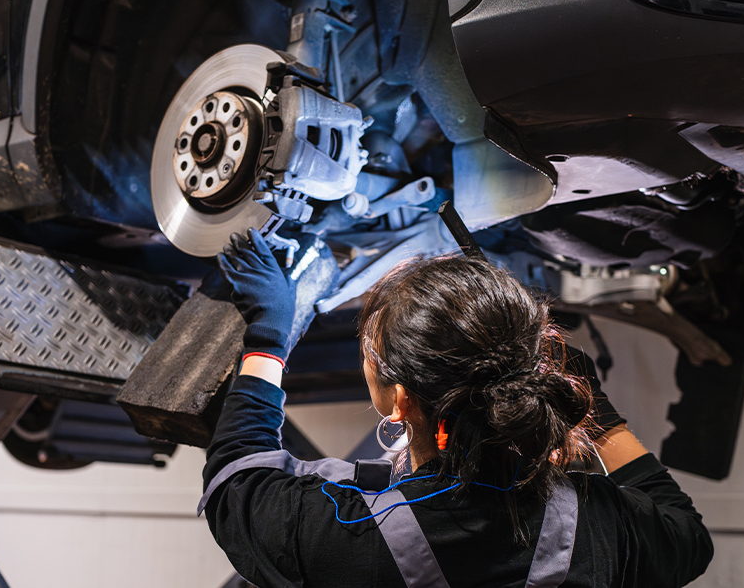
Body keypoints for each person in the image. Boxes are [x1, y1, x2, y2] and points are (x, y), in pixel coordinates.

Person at [201, 229, 713, 587]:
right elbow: (687, 535)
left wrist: (269, 335)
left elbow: (236, 478)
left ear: (399, 400)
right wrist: (599, 418)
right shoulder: (601, 522)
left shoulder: (344, 535)